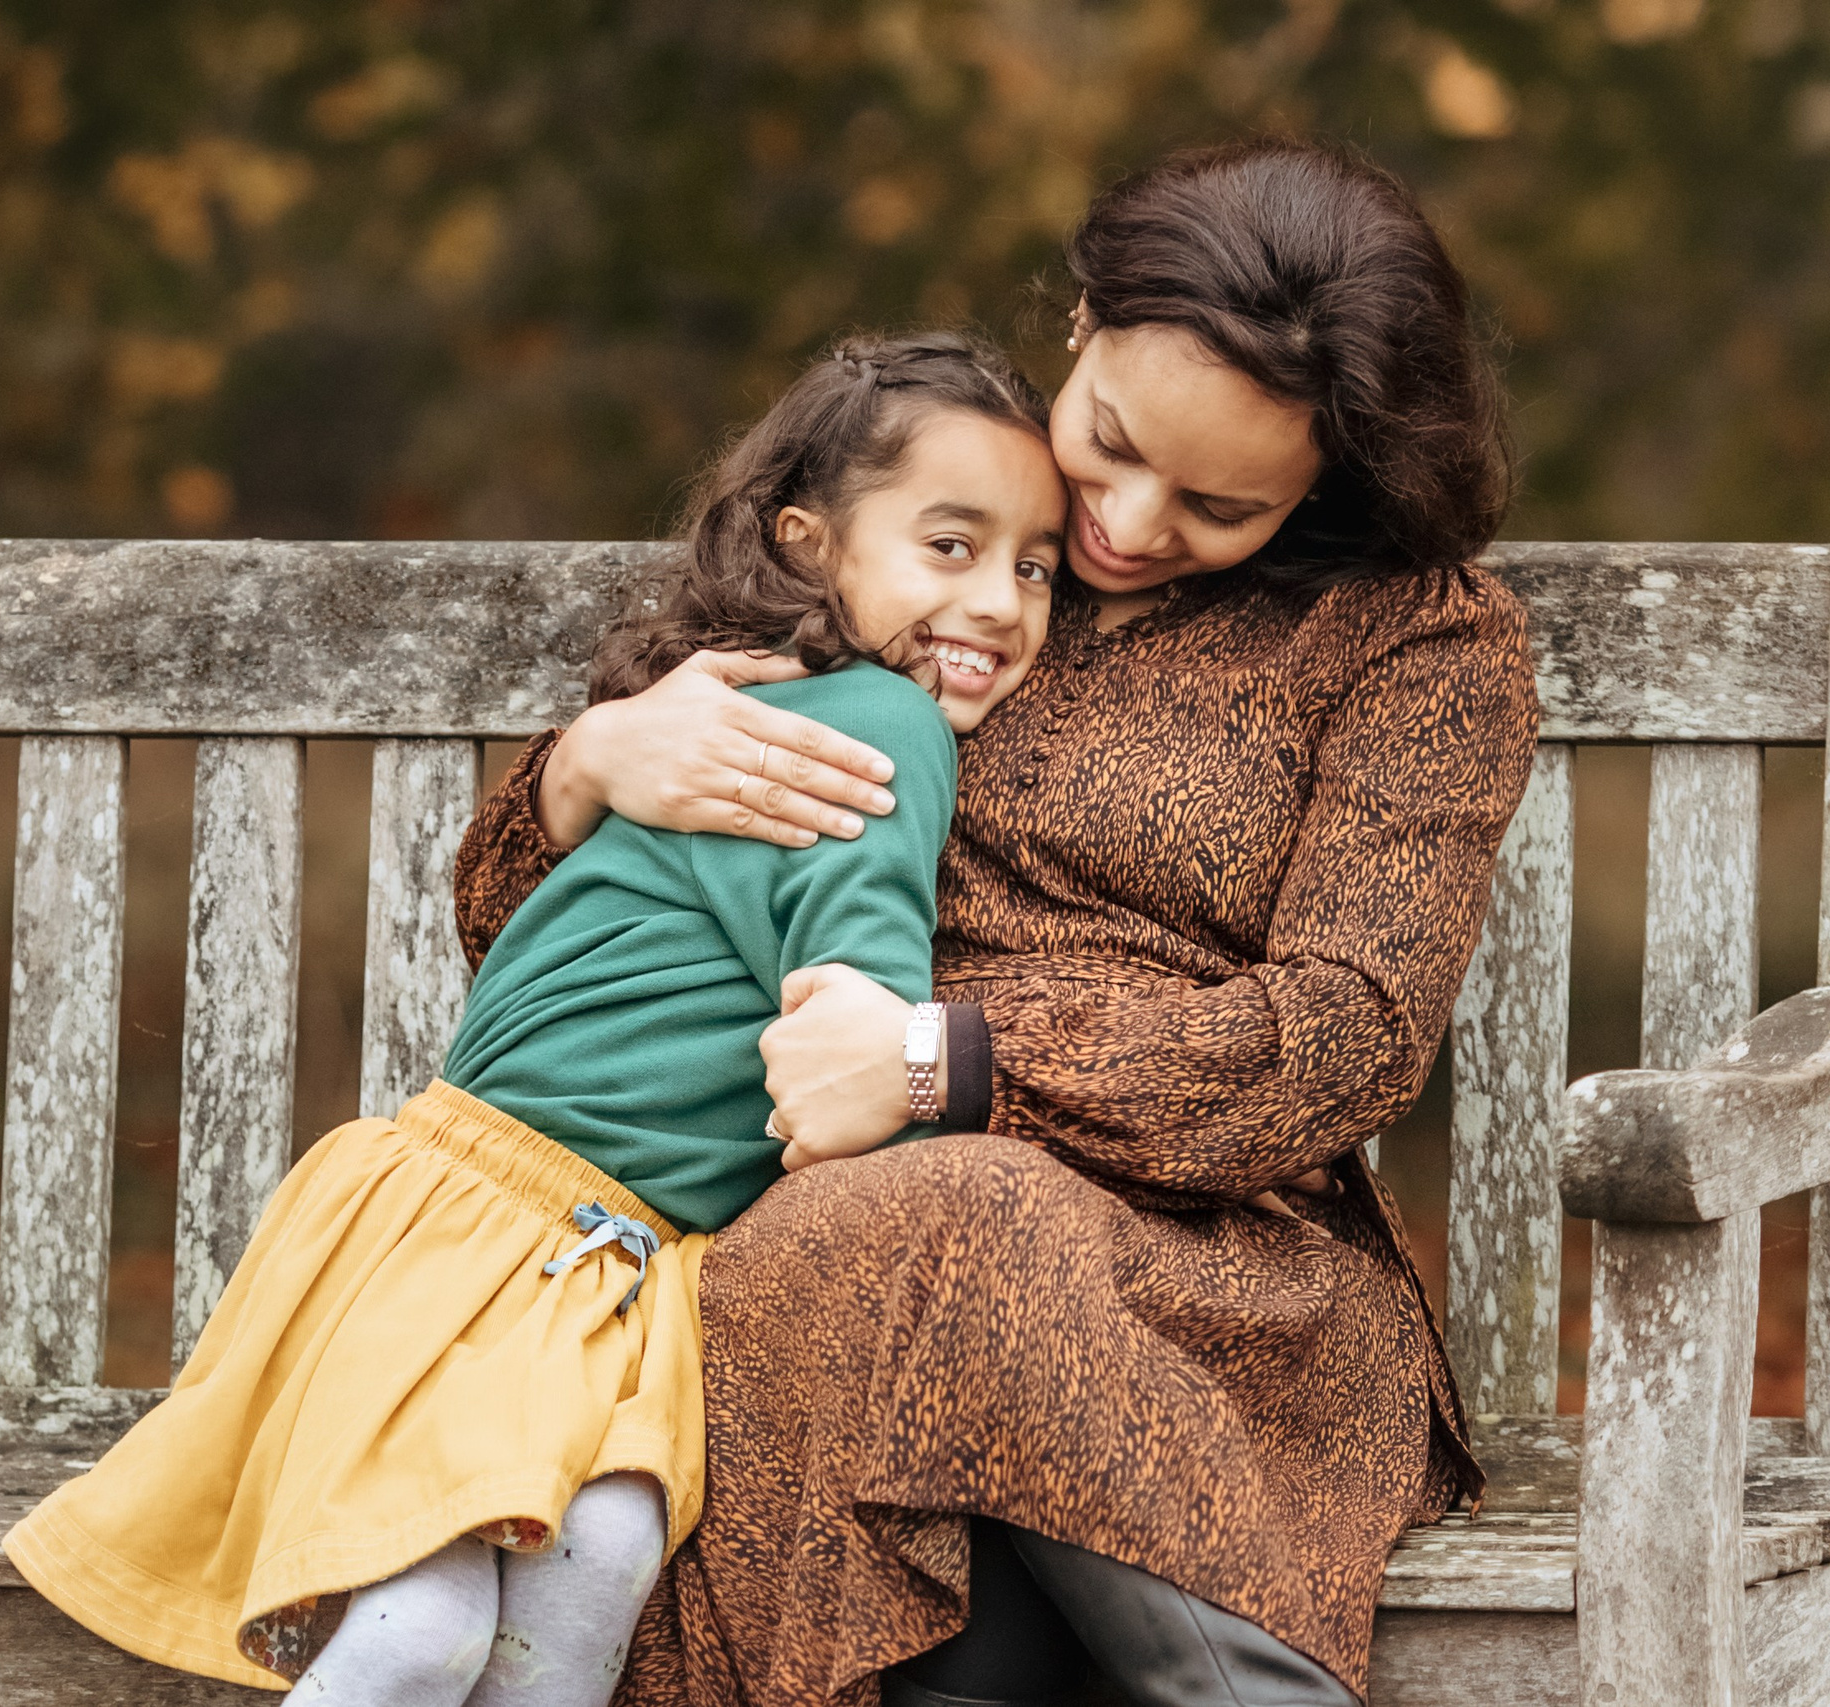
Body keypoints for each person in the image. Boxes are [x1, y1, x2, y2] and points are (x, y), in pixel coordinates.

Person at [450, 139, 1539, 1707]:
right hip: (823, 1267)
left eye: (1221, 504)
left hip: (1215, 1288)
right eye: (1112, 444)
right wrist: (585, 772)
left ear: (1328, 479)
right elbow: (540, 953)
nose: (1126, 527)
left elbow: (1345, 1039)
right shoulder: (934, 536)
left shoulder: (1414, 639)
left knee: (933, 1221)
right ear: (1082, 320)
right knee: (847, 1265)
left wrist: (940, 1060)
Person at [3, 329, 1067, 1706]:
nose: (998, 601)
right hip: (500, 1249)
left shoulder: (734, 704)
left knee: (601, 1554)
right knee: (428, 1631)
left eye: (1035, 566)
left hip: (596, 1270)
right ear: (810, 545)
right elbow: (847, 1015)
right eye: (951, 546)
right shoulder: (880, 724)